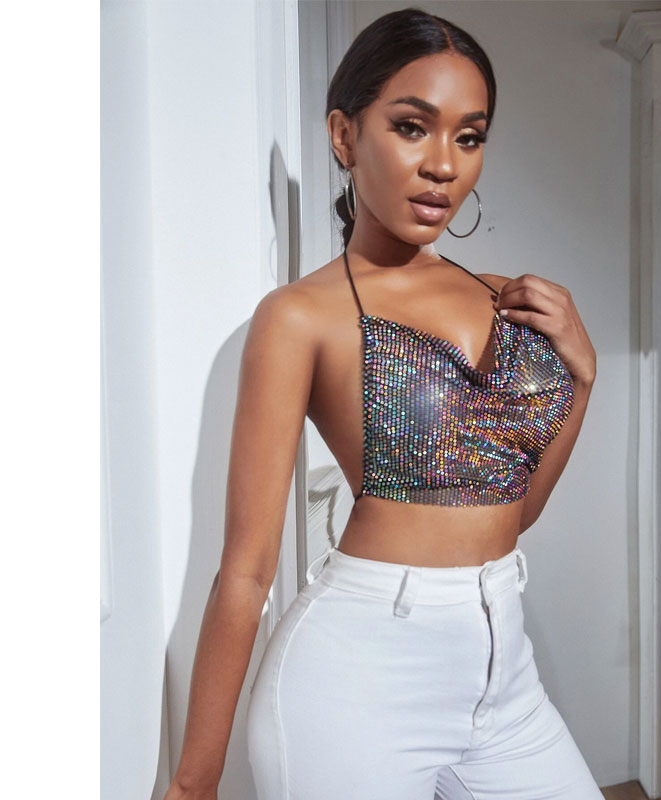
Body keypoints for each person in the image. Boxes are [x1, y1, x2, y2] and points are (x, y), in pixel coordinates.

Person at [163, 7, 600, 800]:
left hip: (506, 680)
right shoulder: (301, 316)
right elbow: (245, 572)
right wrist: (192, 784)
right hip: (355, 682)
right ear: (345, 136)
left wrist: (584, 377)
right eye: (411, 127)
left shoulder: (509, 299)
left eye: (469, 137)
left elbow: (512, 511)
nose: (443, 165)